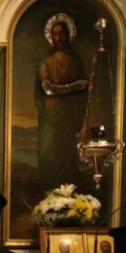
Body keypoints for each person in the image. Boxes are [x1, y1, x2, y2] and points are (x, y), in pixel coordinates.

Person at [35, 15, 89, 192]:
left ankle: (68, 192)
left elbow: (85, 89)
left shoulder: (75, 59)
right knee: (48, 152)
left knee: (67, 153)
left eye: (61, 34)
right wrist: (72, 87)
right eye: (55, 34)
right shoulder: (46, 60)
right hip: (50, 114)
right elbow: (47, 89)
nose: (58, 38)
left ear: (67, 35)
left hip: (70, 115)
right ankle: (49, 191)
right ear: (50, 36)